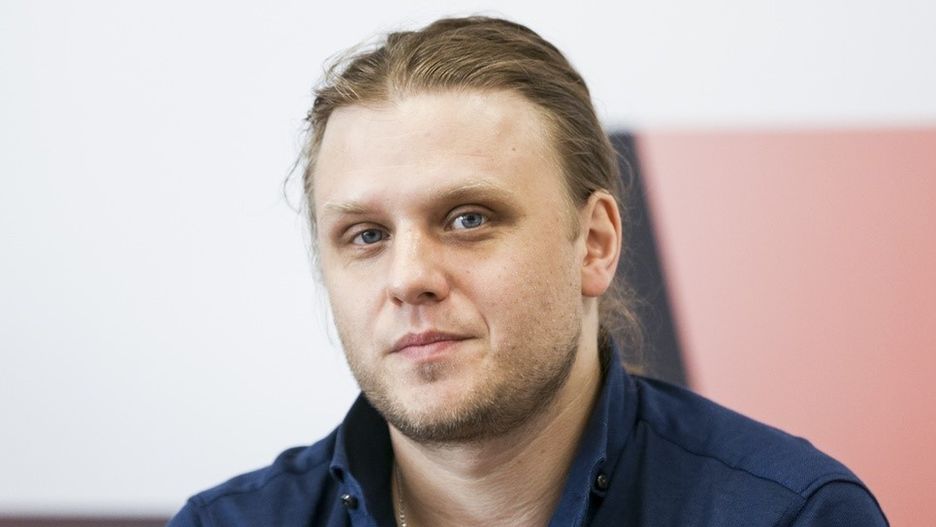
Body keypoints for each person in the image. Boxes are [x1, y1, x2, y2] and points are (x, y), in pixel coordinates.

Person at [168, 16, 887, 527]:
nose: (408, 277)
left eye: (468, 219)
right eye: (367, 235)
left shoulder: (790, 514)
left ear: (594, 244)